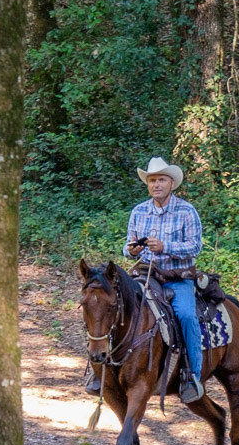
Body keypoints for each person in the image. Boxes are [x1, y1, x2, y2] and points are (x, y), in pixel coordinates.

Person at [85, 157, 205, 404]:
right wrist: (131, 250)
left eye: (161, 180)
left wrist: (165, 247)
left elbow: (195, 246)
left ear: (172, 183)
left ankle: (191, 374)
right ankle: (100, 372)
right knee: (108, 308)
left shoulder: (186, 211)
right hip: (143, 275)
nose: (156, 185)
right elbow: (127, 245)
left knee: (186, 315)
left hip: (176, 278)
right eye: (152, 180)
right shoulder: (139, 211)